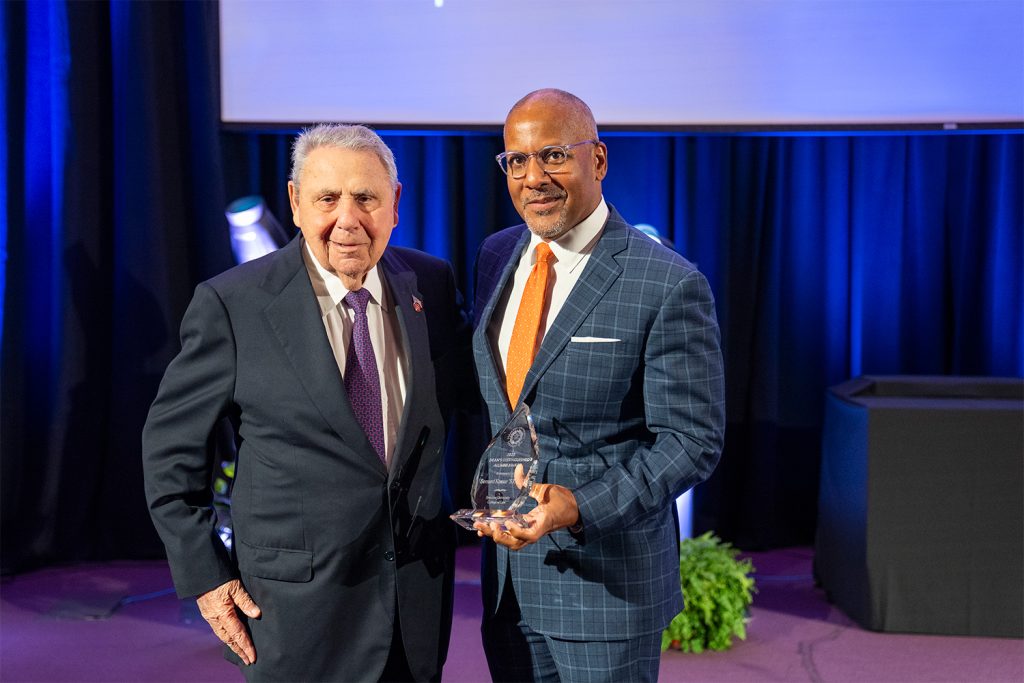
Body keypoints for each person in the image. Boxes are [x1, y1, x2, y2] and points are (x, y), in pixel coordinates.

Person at [142, 124, 469, 682]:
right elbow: (169, 455)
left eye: (366, 197)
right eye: (327, 198)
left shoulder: (430, 285)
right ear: (295, 203)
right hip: (292, 617)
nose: (348, 219)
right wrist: (205, 577)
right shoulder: (233, 304)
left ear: (396, 203)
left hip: (412, 604)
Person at [471, 89, 726, 682]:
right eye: (517, 160)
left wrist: (579, 507)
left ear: (599, 160)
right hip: (509, 587)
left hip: (607, 590)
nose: (533, 177)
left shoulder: (666, 282)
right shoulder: (498, 255)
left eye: (554, 155)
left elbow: (691, 442)